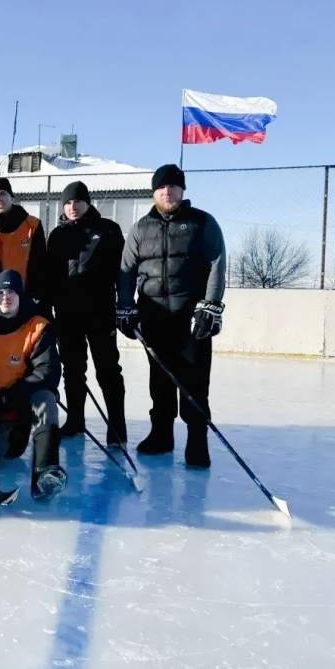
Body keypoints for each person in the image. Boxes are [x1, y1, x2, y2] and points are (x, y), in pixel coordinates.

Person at [116, 164, 226, 468]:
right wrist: (125, 305)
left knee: (194, 383)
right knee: (160, 381)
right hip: (154, 317)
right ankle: (161, 435)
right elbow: (126, 270)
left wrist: (211, 305)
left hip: (190, 319)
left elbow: (217, 264)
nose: (168, 191)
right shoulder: (140, 228)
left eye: (174, 186)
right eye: (162, 187)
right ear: (154, 191)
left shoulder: (203, 223)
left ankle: (196, 440)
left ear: (182, 190)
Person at [45, 181, 127, 443]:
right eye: (67, 203)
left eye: (77, 201)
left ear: (88, 202)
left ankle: (117, 427)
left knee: (108, 369)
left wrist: (125, 303)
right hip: (68, 314)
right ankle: (75, 421)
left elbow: (122, 271)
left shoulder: (108, 230)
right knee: (72, 369)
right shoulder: (57, 235)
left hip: (100, 312)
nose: (72, 207)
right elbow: (51, 275)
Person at [0, 270, 65, 500]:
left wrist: (10, 396)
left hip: (23, 404)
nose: (6, 297)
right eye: (0, 293)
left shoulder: (37, 327)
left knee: (46, 400)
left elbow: (47, 372)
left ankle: (46, 472)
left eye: (11, 292)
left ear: (20, 295)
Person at [0, 177, 47, 305]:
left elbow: (39, 264)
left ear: (11, 197)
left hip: (25, 296)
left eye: (3, 193)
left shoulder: (32, 225)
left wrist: (35, 295)